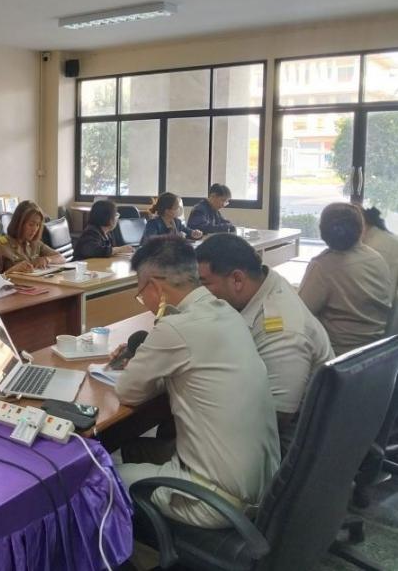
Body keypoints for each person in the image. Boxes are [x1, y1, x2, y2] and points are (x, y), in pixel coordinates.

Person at [111, 236, 280, 528]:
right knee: (133, 449)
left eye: (141, 293)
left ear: (155, 287)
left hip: (214, 499)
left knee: (98, 477)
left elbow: (128, 392)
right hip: (264, 489)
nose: (144, 302)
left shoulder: (176, 327)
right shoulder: (227, 312)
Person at [196, 233, 333, 433]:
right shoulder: (267, 284)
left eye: (205, 283)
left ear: (237, 279)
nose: (199, 292)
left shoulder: (283, 332)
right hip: (256, 414)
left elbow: (276, 418)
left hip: (282, 440)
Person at [299, 203, 393, 355]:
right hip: (375, 350)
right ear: (361, 229)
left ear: (322, 231)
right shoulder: (376, 258)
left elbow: (302, 312)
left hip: (337, 354)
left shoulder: (323, 265)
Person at [0, 200, 64, 273]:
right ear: (19, 223)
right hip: (13, 282)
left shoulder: (35, 243)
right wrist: (12, 271)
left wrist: (47, 259)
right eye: (31, 224)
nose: (35, 229)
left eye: (37, 225)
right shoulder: (0, 245)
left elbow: (61, 258)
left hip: (36, 282)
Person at [362, 206, 398, 308]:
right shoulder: (391, 239)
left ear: (363, 223)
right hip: (389, 305)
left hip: (374, 308)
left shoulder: (370, 247)